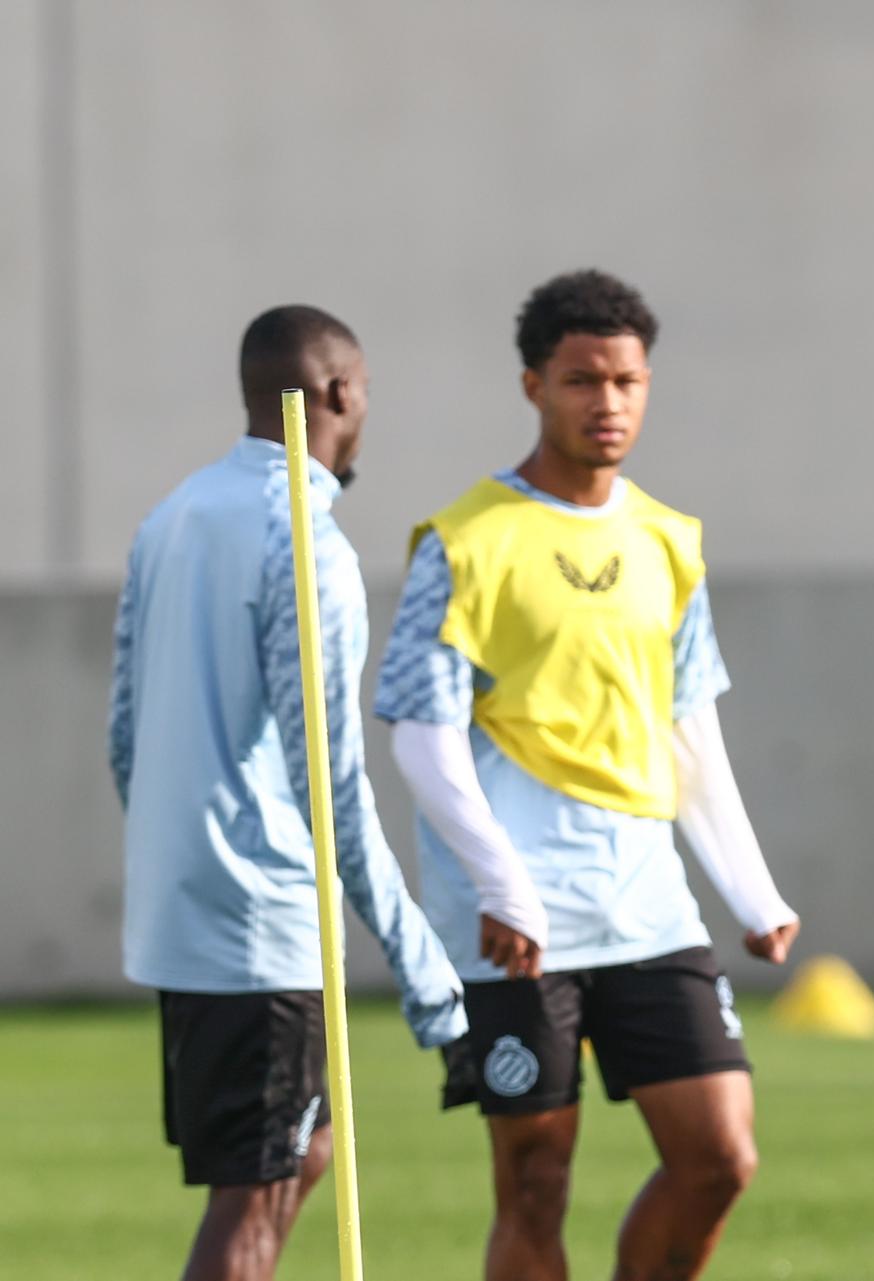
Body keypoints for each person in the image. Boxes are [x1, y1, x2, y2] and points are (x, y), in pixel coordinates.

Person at [374, 269, 800, 1281]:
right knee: (535, 1182)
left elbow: (690, 731)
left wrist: (750, 888)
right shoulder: (466, 542)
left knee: (720, 1158)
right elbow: (420, 739)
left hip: (648, 911)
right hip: (515, 927)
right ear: (533, 386)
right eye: (581, 381)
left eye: (625, 380)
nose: (606, 403)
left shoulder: (668, 541)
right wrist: (503, 885)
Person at [108, 305, 467, 1281]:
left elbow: (123, 735)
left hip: (179, 913)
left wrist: (174, 856)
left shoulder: (170, 517)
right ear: (342, 392)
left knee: (299, 1157)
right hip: (260, 924)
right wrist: (427, 973)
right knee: (256, 1197)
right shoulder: (309, 545)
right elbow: (332, 782)